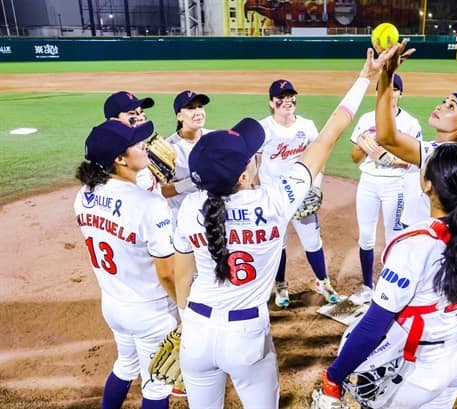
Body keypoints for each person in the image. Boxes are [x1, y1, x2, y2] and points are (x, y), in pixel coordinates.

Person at [172, 45, 401, 409]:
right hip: (246, 337)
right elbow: (330, 134)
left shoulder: (188, 208)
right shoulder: (275, 201)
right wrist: (366, 77)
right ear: (246, 173)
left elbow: (180, 278)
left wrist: (184, 318)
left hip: (196, 332)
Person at [312, 143, 457, 409]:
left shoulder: (414, 245)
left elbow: (373, 327)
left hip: (419, 369)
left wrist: (334, 377)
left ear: (428, 185)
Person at [374, 41, 457, 317]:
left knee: (407, 306)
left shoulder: (444, 156)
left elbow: (386, 137)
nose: (440, 106)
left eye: (450, 106)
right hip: (433, 241)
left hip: (426, 245)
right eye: (444, 101)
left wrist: (385, 77)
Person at [74, 119, 178, 409]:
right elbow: (168, 274)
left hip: (114, 304)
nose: (144, 145)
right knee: (157, 387)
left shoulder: (83, 196)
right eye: (136, 143)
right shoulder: (148, 205)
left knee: (125, 366)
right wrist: (185, 307)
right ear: (120, 159)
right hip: (151, 311)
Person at [256, 79, 339, 308]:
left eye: (290, 96)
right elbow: (255, 162)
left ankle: (323, 281)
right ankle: (281, 285)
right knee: (277, 244)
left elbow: (319, 157)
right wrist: (256, 191)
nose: (287, 101)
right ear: (272, 102)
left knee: (312, 242)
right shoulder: (264, 128)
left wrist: (315, 186)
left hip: (301, 195)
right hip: (273, 198)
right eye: (280, 98)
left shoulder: (307, 126)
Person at [347, 73, 422, 305]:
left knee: (393, 238)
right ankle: (367, 287)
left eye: (395, 90)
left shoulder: (410, 123)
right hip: (368, 182)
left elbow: (413, 161)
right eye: (385, 90)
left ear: (401, 93)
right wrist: (364, 145)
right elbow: (354, 158)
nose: (390, 94)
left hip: (395, 185)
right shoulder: (367, 119)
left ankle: (389, 289)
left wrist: (387, 158)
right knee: (366, 237)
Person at [161, 90, 212, 228]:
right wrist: (193, 181)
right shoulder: (168, 148)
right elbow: (162, 191)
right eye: (190, 108)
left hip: (214, 213)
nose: (198, 112)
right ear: (179, 116)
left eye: (200, 107)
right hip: (182, 217)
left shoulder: (215, 138)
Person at [103, 90, 160, 193]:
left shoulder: (143, 152)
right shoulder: (114, 157)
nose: (141, 117)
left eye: (141, 112)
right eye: (132, 113)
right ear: (114, 120)